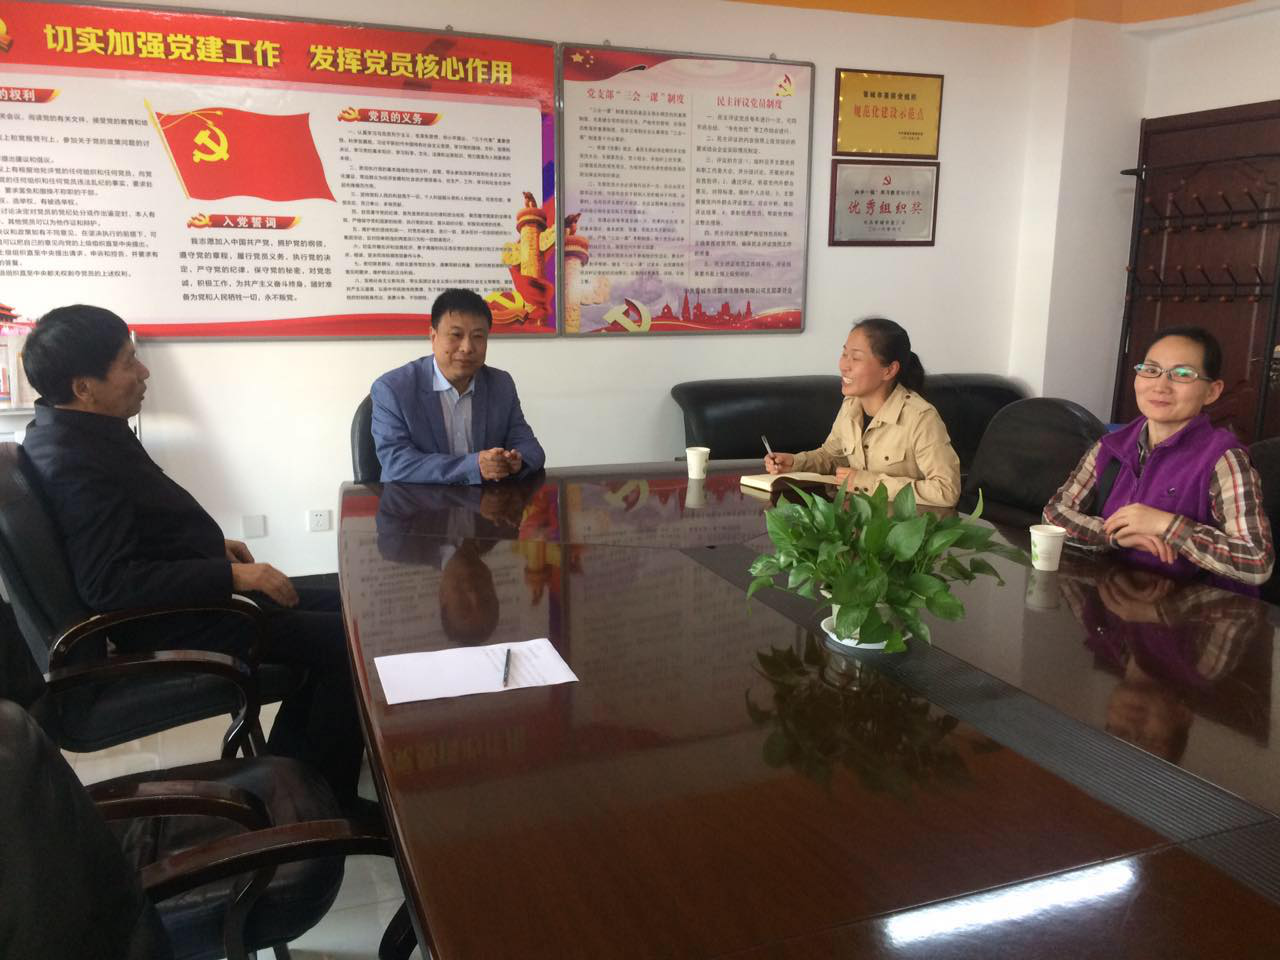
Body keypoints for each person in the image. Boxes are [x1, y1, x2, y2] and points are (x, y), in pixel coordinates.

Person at [20, 305, 365, 810]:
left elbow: (137, 530)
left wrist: (212, 551)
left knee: (353, 603)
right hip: (179, 621)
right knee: (353, 642)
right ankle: (333, 800)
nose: (144, 372)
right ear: (84, 387)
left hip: (193, 601)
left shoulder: (75, 432)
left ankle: (301, 771)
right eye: (128, 362)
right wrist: (232, 575)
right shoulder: (76, 461)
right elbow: (109, 583)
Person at [1043, 325, 1273, 585]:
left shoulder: (1223, 459)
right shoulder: (1112, 446)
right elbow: (1054, 514)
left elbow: (1255, 562)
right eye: (1151, 370)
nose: (1161, 386)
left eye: (1183, 374)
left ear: (1212, 391)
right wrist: (1111, 535)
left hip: (1193, 605)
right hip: (1113, 590)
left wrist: (1166, 525)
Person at [763, 317, 960, 507]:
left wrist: (867, 482)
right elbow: (832, 456)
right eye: (844, 354)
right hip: (854, 520)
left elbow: (946, 490)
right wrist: (795, 463)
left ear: (889, 370)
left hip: (900, 527)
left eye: (856, 358)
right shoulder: (851, 405)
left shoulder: (921, 418)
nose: (844, 366)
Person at [371, 288, 545, 484]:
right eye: (456, 335)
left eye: (478, 337)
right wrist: (474, 466)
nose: (467, 347)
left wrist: (516, 462)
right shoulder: (392, 389)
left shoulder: (500, 384)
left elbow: (531, 449)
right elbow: (397, 463)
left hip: (486, 501)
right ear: (433, 337)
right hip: (416, 501)